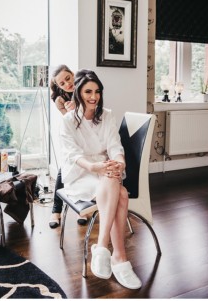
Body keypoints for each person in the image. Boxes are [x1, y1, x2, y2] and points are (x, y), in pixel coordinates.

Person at [59, 69, 140, 290]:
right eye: (88, 91)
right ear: (78, 92)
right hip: (81, 172)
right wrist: (94, 166)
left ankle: (104, 248)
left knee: (115, 182)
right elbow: (72, 155)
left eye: (97, 91)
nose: (93, 96)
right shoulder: (68, 120)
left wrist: (119, 162)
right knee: (121, 194)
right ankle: (117, 257)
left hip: (105, 168)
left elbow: (115, 145)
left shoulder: (107, 115)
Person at [48, 64, 76, 229]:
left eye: (68, 78)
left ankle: (83, 210)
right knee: (64, 168)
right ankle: (56, 210)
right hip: (72, 136)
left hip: (93, 134)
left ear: (72, 74)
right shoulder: (60, 99)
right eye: (62, 83)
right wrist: (73, 110)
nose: (67, 84)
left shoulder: (86, 87)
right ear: (58, 87)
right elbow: (72, 124)